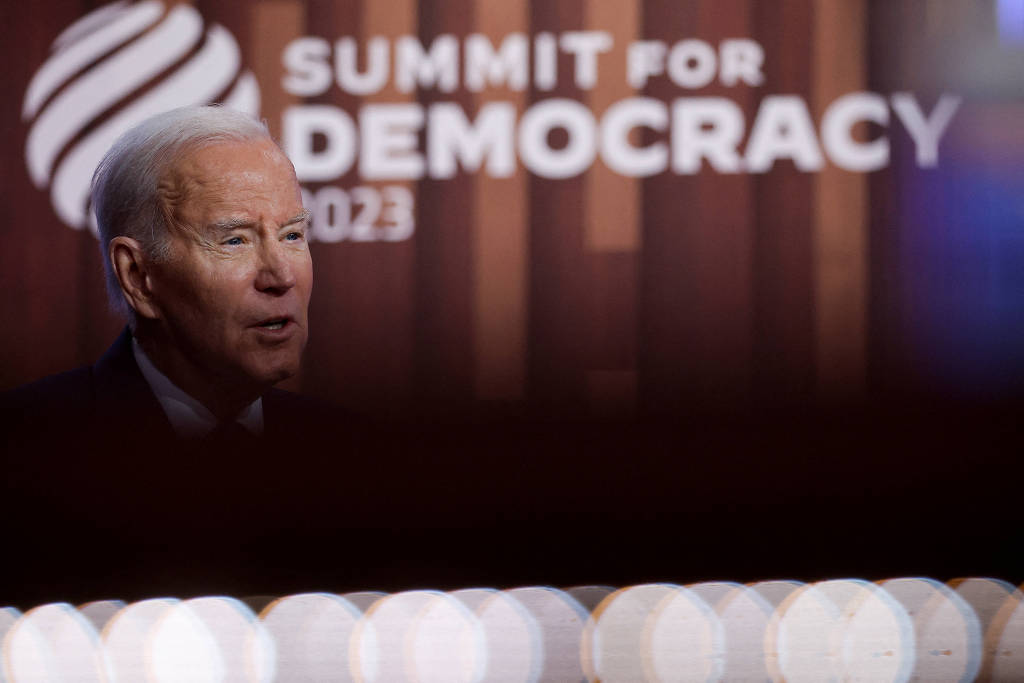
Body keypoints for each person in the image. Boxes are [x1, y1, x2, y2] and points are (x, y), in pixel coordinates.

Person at [5, 105, 318, 448]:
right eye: (234, 241)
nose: (282, 276)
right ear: (138, 276)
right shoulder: (25, 444)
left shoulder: (352, 451)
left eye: (292, 235)